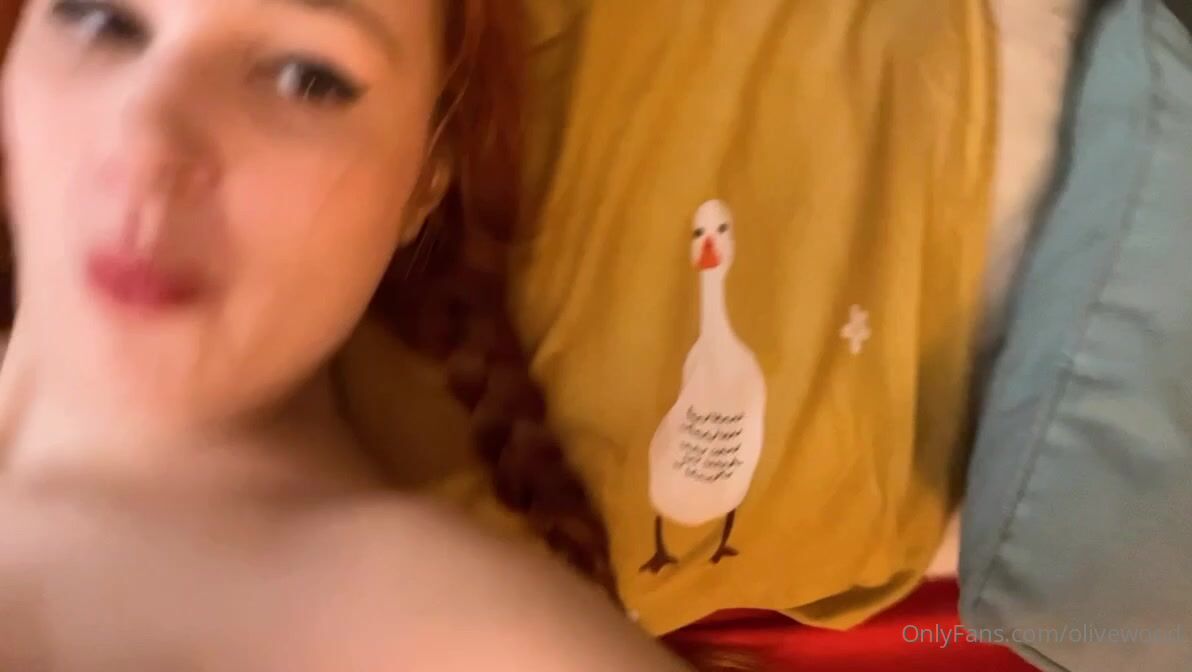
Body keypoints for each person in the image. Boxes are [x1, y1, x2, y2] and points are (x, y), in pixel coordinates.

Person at [0, 0, 690, 669]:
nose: (148, 142)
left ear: (426, 178)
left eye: (307, 77)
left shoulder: (465, 642)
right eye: (99, 18)